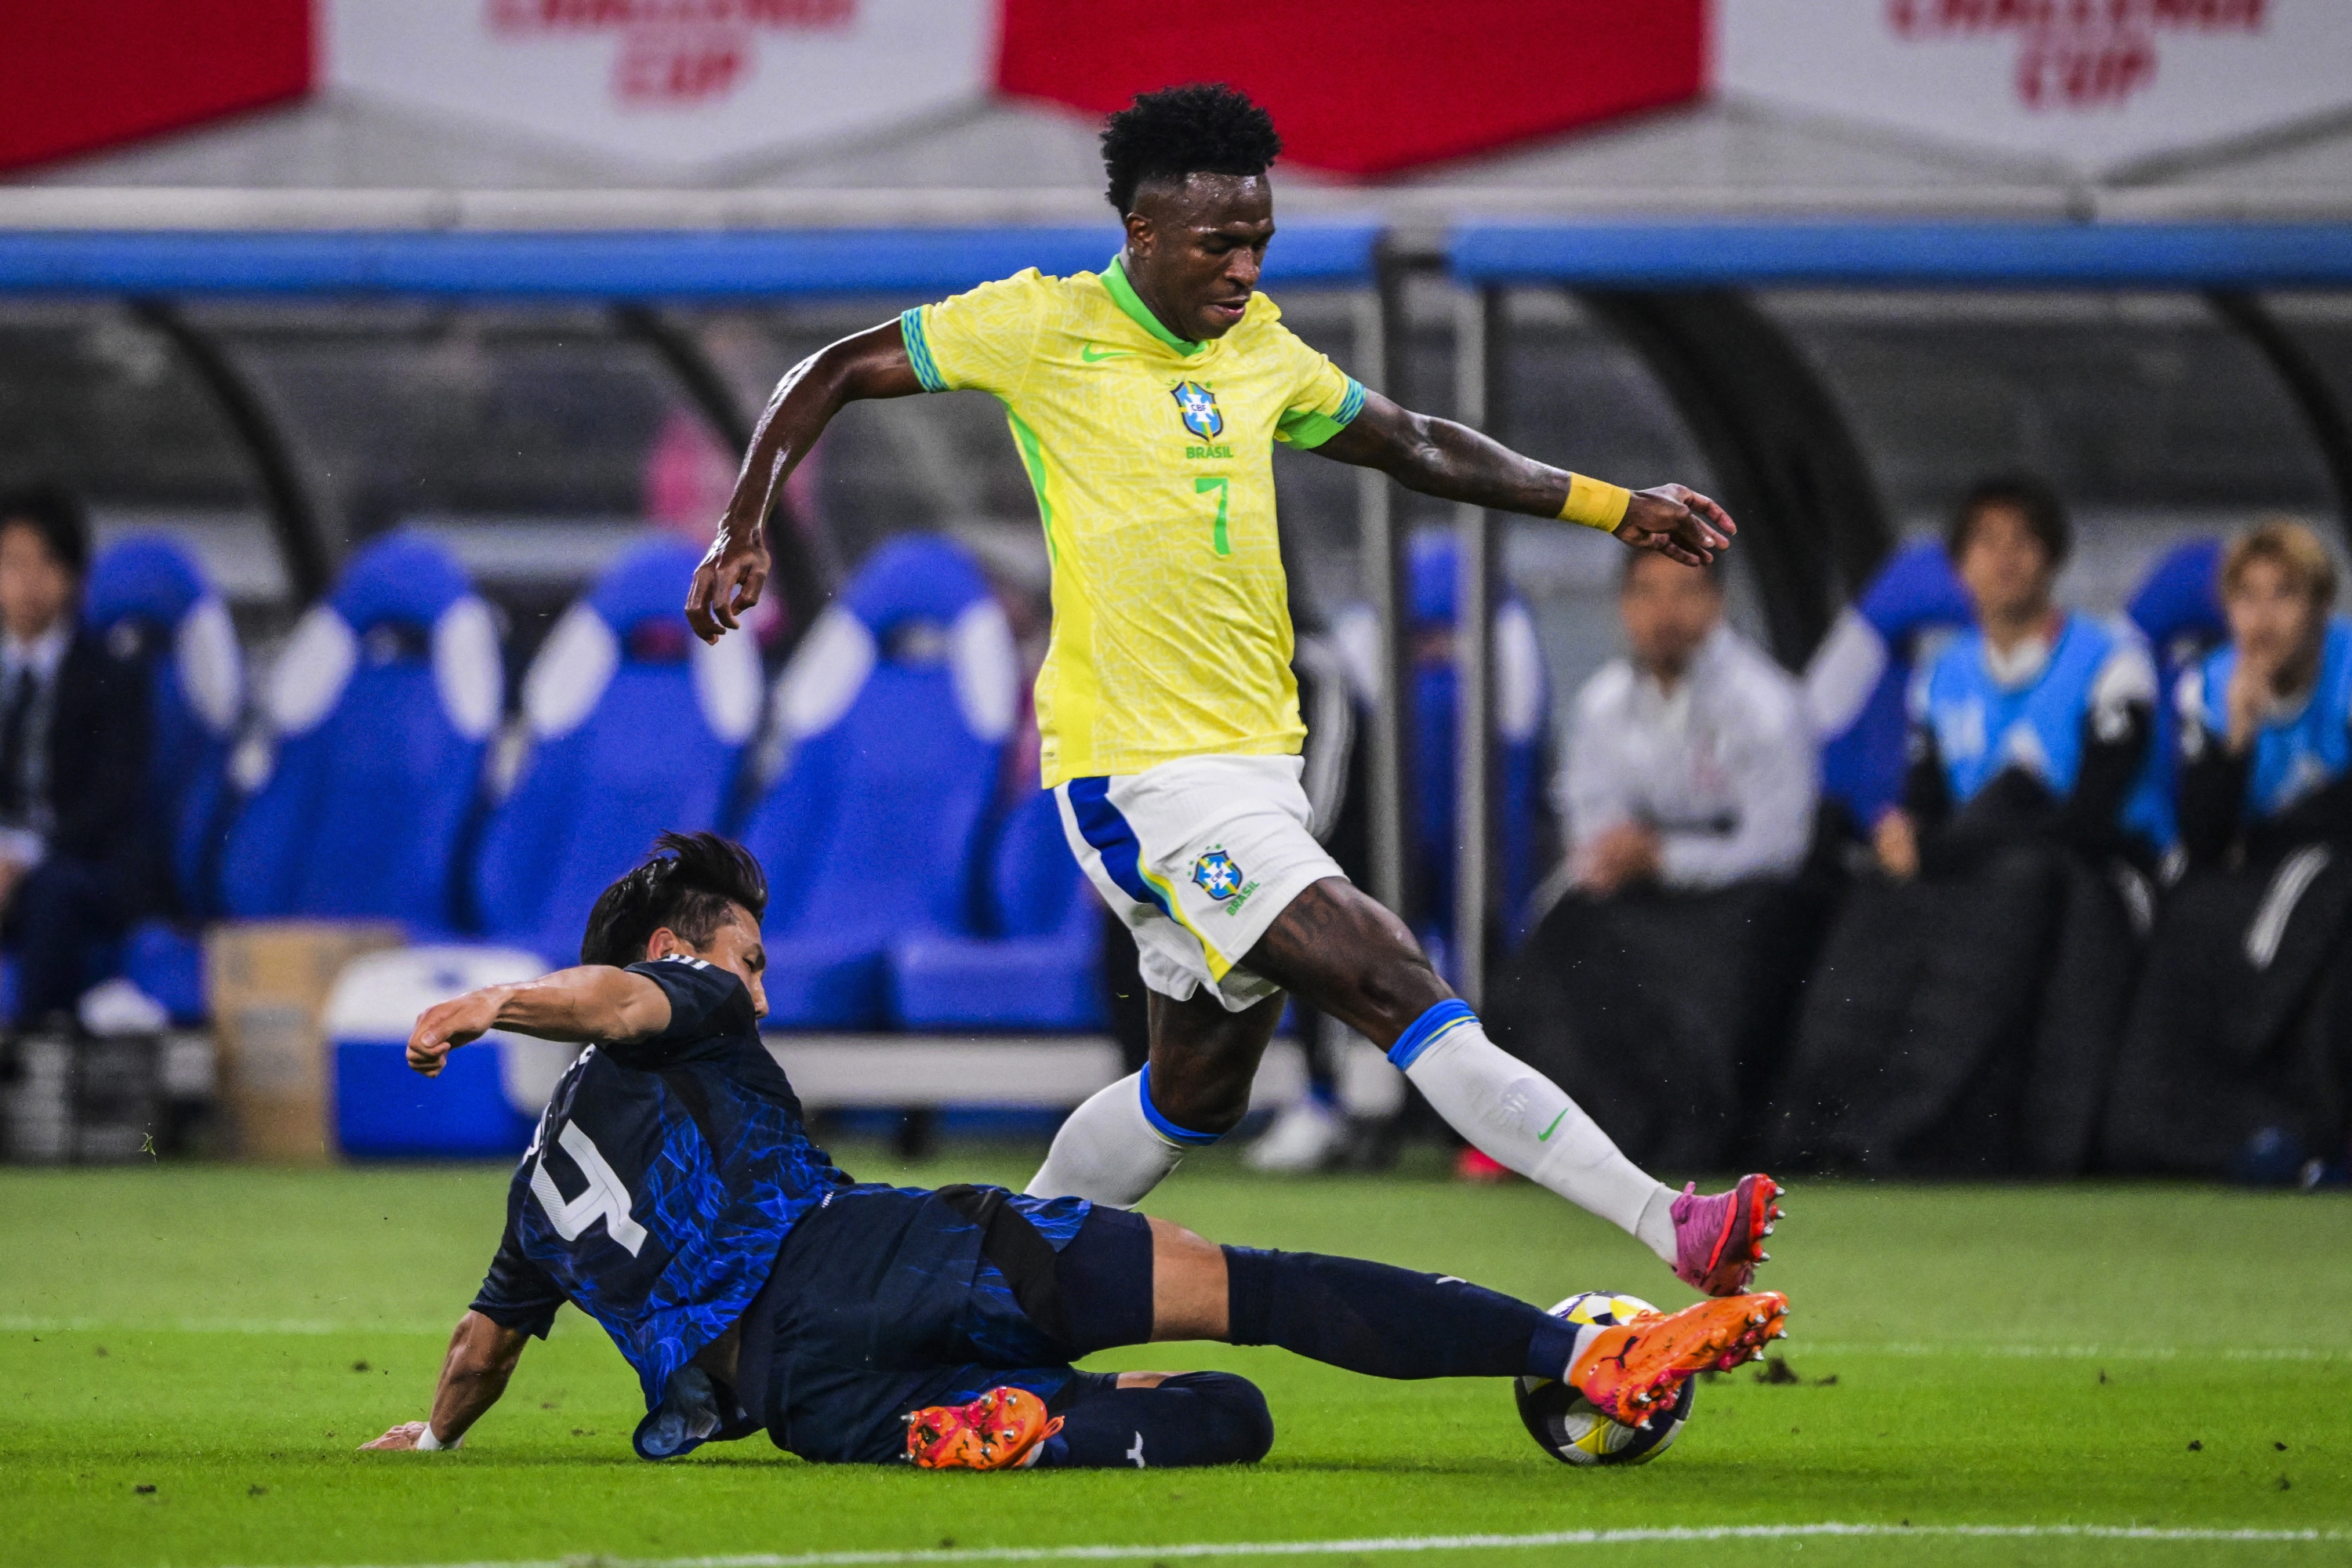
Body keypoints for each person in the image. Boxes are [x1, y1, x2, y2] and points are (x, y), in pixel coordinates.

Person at [685, 82, 1779, 1297]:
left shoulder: (1258, 348)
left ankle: (964, 1289)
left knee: (1194, 1090)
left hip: (1258, 768)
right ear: (1142, 233)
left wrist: (1616, 505)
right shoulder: (1040, 327)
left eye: (1259, 237)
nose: (1245, 265)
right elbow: (826, 370)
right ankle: (1670, 1222)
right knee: (1389, 972)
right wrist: (745, 525)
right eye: (1219, 242)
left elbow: (1416, 441)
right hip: (1141, 773)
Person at [361, 833, 1791, 1468]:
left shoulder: (534, 1193)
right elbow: (612, 996)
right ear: (684, 953)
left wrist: (434, 1441)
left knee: (1223, 1413)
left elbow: (484, 1350)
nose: (763, 986)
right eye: (746, 957)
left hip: (801, 1404)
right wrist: (500, 1001)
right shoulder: (676, 1005)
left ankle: (1010, 1425)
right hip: (873, 1262)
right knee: (1267, 1295)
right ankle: (1576, 1356)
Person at [1767, 477, 2161, 1176]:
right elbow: (1925, 801)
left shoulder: (2111, 661)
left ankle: (1935, 1132)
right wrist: (1900, 832)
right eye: (1987, 543)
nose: (2005, 559)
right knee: (1877, 902)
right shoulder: (1943, 673)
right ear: (1960, 566)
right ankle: (1830, 1127)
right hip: (1975, 868)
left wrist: (1945, 846)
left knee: (2015, 888)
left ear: (2052, 558)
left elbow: (2090, 817)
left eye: (2023, 542)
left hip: (2083, 874)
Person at [1489, 552, 1817, 1169]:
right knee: (1563, 943)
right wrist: (1625, 858)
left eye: (1685, 592)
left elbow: (1778, 847)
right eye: (1647, 593)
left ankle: (1690, 1140)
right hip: (1643, 895)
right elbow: (1594, 826)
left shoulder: (1766, 703)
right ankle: (1539, 1137)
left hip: (1742, 898)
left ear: (1717, 603)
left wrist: (1664, 856)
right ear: (1624, 607)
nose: (1665, 612)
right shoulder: (1603, 704)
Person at [2103, 520, 2352, 1181]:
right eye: (2247, 597)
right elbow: (2207, 840)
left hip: (2328, 868)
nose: (2263, 617)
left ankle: (2317, 1128)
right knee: (2191, 913)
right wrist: (2235, 739)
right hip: (2256, 871)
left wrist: (2272, 838)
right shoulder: (2209, 687)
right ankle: (2200, 1135)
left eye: (2284, 595)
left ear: (2319, 607)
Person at [0, 484, 156, 1029]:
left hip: (79, 865)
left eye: (47, 564)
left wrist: (23, 859)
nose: (29, 585)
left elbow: (109, 801)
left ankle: (32, 1059)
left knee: (51, 893)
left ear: (73, 577)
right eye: (13, 564)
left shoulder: (112, 676)